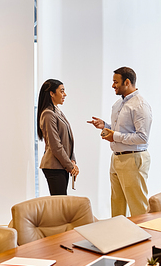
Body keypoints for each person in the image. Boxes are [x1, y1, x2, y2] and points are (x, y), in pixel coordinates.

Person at [87, 67, 152, 217]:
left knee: (138, 207)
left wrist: (114, 135)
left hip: (133, 158)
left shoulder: (140, 105)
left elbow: (142, 137)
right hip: (117, 158)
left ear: (127, 82)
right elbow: (121, 130)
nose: (112, 85)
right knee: (117, 204)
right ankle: (121, 238)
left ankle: (146, 237)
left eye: (115, 82)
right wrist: (105, 126)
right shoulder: (118, 104)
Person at [37, 79, 79, 195]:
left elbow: (68, 140)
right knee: (59, 206)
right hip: (54, 167)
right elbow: (55, 145)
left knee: (61, 204)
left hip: (61, 166)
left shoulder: (57, 111)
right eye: (62, 91)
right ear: (51, 93)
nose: (65, 94)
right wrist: (70, 166)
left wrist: (72, 160)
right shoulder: (48, 114)